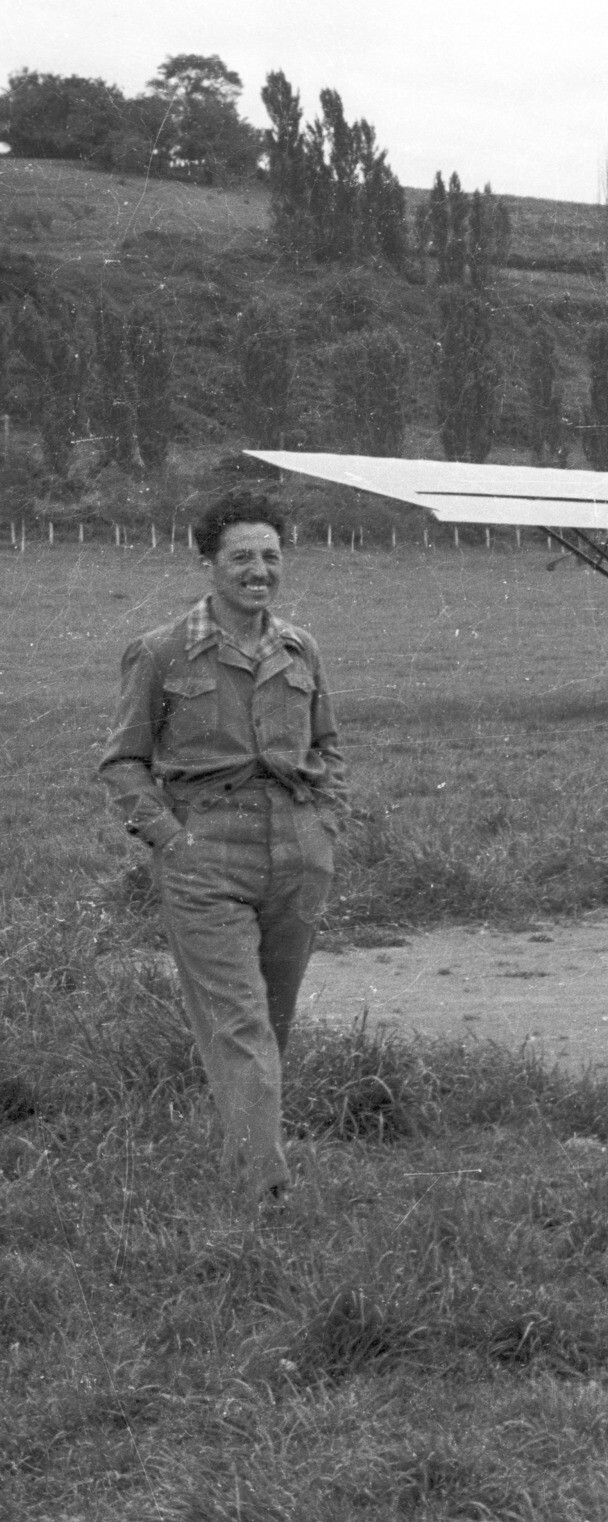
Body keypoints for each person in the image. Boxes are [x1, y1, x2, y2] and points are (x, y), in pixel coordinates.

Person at [99, 487, 347, 1209]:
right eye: (241, 556)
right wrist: (170, 839)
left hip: (298, 852)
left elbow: (329, 745)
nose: (258, 570)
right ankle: (263, 1195)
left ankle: (248, 1156)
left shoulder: (300, 646)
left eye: (271, 556)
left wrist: (326, 821)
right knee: (238, 1024)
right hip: (206, 854)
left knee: (271, 1020)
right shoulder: (161, 650)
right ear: (208, 561)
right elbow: (121, 761)